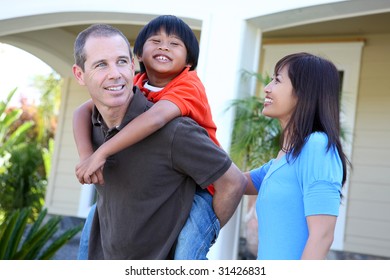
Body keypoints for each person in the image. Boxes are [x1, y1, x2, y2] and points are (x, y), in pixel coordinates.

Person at [72, 23, 246, 259]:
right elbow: (79, 111)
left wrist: (101, 153)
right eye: (101, 64)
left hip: (204, 191)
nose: (114, 73)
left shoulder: (183, 99)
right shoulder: (134, 86)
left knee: (188, 249)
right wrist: (86, 155)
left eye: (121, 61)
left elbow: (155, 119)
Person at [245, 52, 349, 260]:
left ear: (303, 92)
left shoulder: (317, 147)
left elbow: (322, 236)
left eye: (277, 80)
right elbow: (235, 181)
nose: (267, 88)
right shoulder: (285, 156)